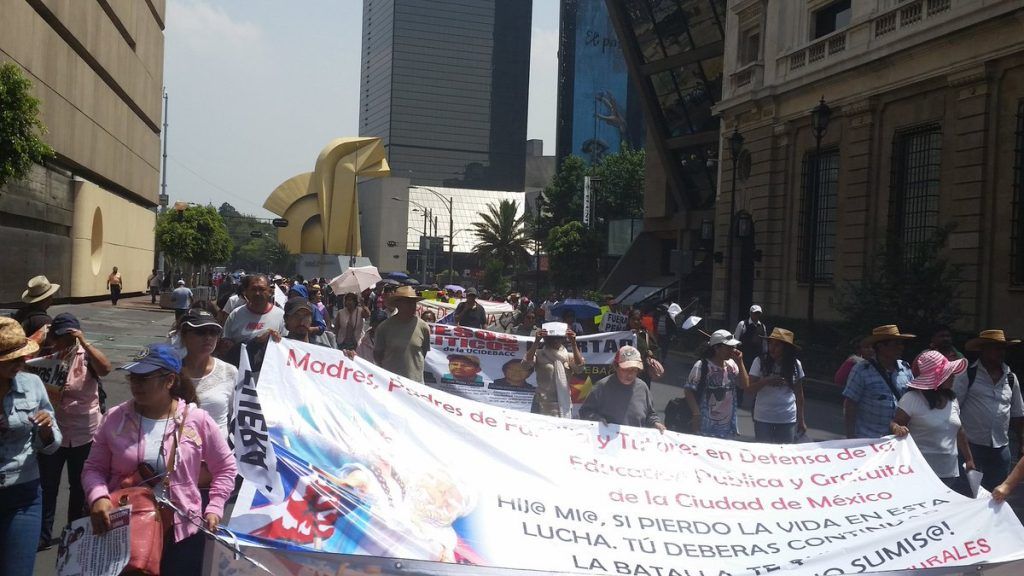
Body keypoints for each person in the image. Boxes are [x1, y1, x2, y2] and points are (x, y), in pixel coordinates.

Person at [83, 343, 237, 575]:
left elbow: (225, 468)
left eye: (145, 378)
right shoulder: (115, 418)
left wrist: (214, 507)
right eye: (133, 377)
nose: (136, 384)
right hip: (125, 529)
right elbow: (93, 468)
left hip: (183, 531)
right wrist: (98, 498)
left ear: (169, 381)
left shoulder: (197, 420)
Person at [33, 313, 111, 550]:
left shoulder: (86, 356)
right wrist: (40, 341)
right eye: (62, 336)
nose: (67, 340)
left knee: (79, 486)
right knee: (48, 485)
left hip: (84, 432)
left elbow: (106, 368)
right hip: (53, 431)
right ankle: (43, 535)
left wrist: (84, 342)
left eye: (71, 334)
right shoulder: (46, 357)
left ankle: (74, 532)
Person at [0, 318, 61, 576]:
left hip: (23, 496)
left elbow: (51, 444)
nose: (21, 363)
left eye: (22, 357)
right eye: (12, 359)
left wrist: (46, 430)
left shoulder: (32, 385)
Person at [890, 350, 973, 493]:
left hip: (949, 473)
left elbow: (959, 432)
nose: (953, 377)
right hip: (919, 472)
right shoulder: (911, 399)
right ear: (937, 377)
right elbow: (894, 423)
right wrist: (897, 428)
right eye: (948, 373)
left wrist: (969, 459)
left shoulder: (952, 400)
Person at [953, 329, 1024, 492]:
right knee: (967, 492)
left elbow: (1018, 414)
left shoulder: (1011, 378)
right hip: (970, 446)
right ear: (983, 350)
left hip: (1000, 448)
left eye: (1002, 348)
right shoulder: (967, 375)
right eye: (995, 348)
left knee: (998, 493)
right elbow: (953, 410)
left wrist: (1021, 443)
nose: (1000, 352)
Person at [842, 325, 915, 439]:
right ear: (881, 347)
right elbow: (850, 404)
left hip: (897, 440)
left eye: (901, 344)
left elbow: (912, 401)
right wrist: (850, 437)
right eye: (896, 344)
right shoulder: (861, 370)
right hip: (868, 438)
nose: (901, 347)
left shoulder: (905, 369)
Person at [178, 309, 237, 440]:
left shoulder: (230, 371)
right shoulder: (170, 371)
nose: (208, 337)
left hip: (217, 456)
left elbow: (238, 415)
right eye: (201, 332)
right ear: (184, 335)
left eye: (214, 332)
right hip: (177, 453)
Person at [580, 345, 666, 431]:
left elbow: (650, 414)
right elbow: (585, 411)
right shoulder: (602, 386)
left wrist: (656, 423)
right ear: (616, 366)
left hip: (634, 442)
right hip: (607, 441)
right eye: (625, 369)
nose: (630, 374)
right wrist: (597, 420)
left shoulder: (643, 388)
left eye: (634, 369)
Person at [682, 329, 749, 439]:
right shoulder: (701, 366)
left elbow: (745, 385)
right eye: (728, 347)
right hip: (705, 426)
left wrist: (740, 363)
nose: (732, 350)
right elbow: (688, 390)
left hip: (728, 427)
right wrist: (696, 413)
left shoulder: (732, 365)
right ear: (716, 348)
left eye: (733, 347)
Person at [747, 328, 806, 443]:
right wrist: (766, 381)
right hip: (763, 417)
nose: (772, 348)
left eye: (777, 345)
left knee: (784, 455)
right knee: (764, 454)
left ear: (786, 348)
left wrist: (801, 420)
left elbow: (799, 394)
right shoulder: (759, 361)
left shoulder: (795, 365)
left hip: (787, 418)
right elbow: (749, 389)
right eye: (771, 343)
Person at [522, 322, 583, 418]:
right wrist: (536, 342)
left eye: (558, 338)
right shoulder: (539, 354)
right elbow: (526, 365)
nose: (555, 340)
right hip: (542, 403)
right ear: (546, 339)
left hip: (564, 403)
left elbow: (580, 368)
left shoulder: (568, 356)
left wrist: (574, 343)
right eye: (551, 338)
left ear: (563, 339)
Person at [373, 286, 431, 383]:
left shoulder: (424, 327)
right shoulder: (384, 327)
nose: (412, 305)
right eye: (408, 302)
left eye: (414, 302)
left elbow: (422, 353)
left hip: (415, 386)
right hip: (392, 384)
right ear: (398, 304)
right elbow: (378, 356)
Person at [222, 274, 286, 354]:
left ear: (270, 292)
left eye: (262, 289)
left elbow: (286, 348)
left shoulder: (281, 316)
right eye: (253, 289)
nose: (257, 293)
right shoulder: (235, 314)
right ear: (246, 292)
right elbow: (225, 345)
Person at [734, 304, 767, 371]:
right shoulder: (742, 324)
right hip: (745, 357)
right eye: (755, 313)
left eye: (758, 313)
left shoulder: (763, 326)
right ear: (750, 313)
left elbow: (764, 342)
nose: (757, 315)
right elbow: (735, 340)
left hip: (757, 357)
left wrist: (765, 353)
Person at [628, 309, 658, 382]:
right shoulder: (621, 334)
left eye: (638, 319)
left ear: (642, 320)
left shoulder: (646, 335)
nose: (636, 322)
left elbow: (656, 350)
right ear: (629, 320)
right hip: (625, 373)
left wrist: (651, 354)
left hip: (643, 374)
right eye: (633, 319)